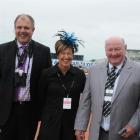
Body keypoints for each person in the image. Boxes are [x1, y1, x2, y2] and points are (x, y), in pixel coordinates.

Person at [74, 36, 140, 140]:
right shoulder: (94, 70)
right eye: (110, 50)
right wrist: (80, 127)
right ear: (105, 50)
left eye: (117, 49)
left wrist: (134, 125)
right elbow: (85, 101)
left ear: (125, 48)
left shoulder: (138, 70)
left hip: (125, 133)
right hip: (97, 134)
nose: (114, 53)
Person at [0, 14, 52, 140]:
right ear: (14, 29)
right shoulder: (2, 50)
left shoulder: (44, 52)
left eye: (26, 28)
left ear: (33, 30)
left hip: (30, 111)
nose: (22, 31)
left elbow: (47, 84)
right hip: (6, 111)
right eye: (19, 27)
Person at [37, 30, 86, 140]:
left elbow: (86, 99)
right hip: (49, 124)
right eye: (63, 53)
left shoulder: (79, 74)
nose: (66, 56)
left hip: (71, 124)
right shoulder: (47, 74)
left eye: (69, 53)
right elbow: (40, 97)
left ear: (73, 55)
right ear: (58, 55)